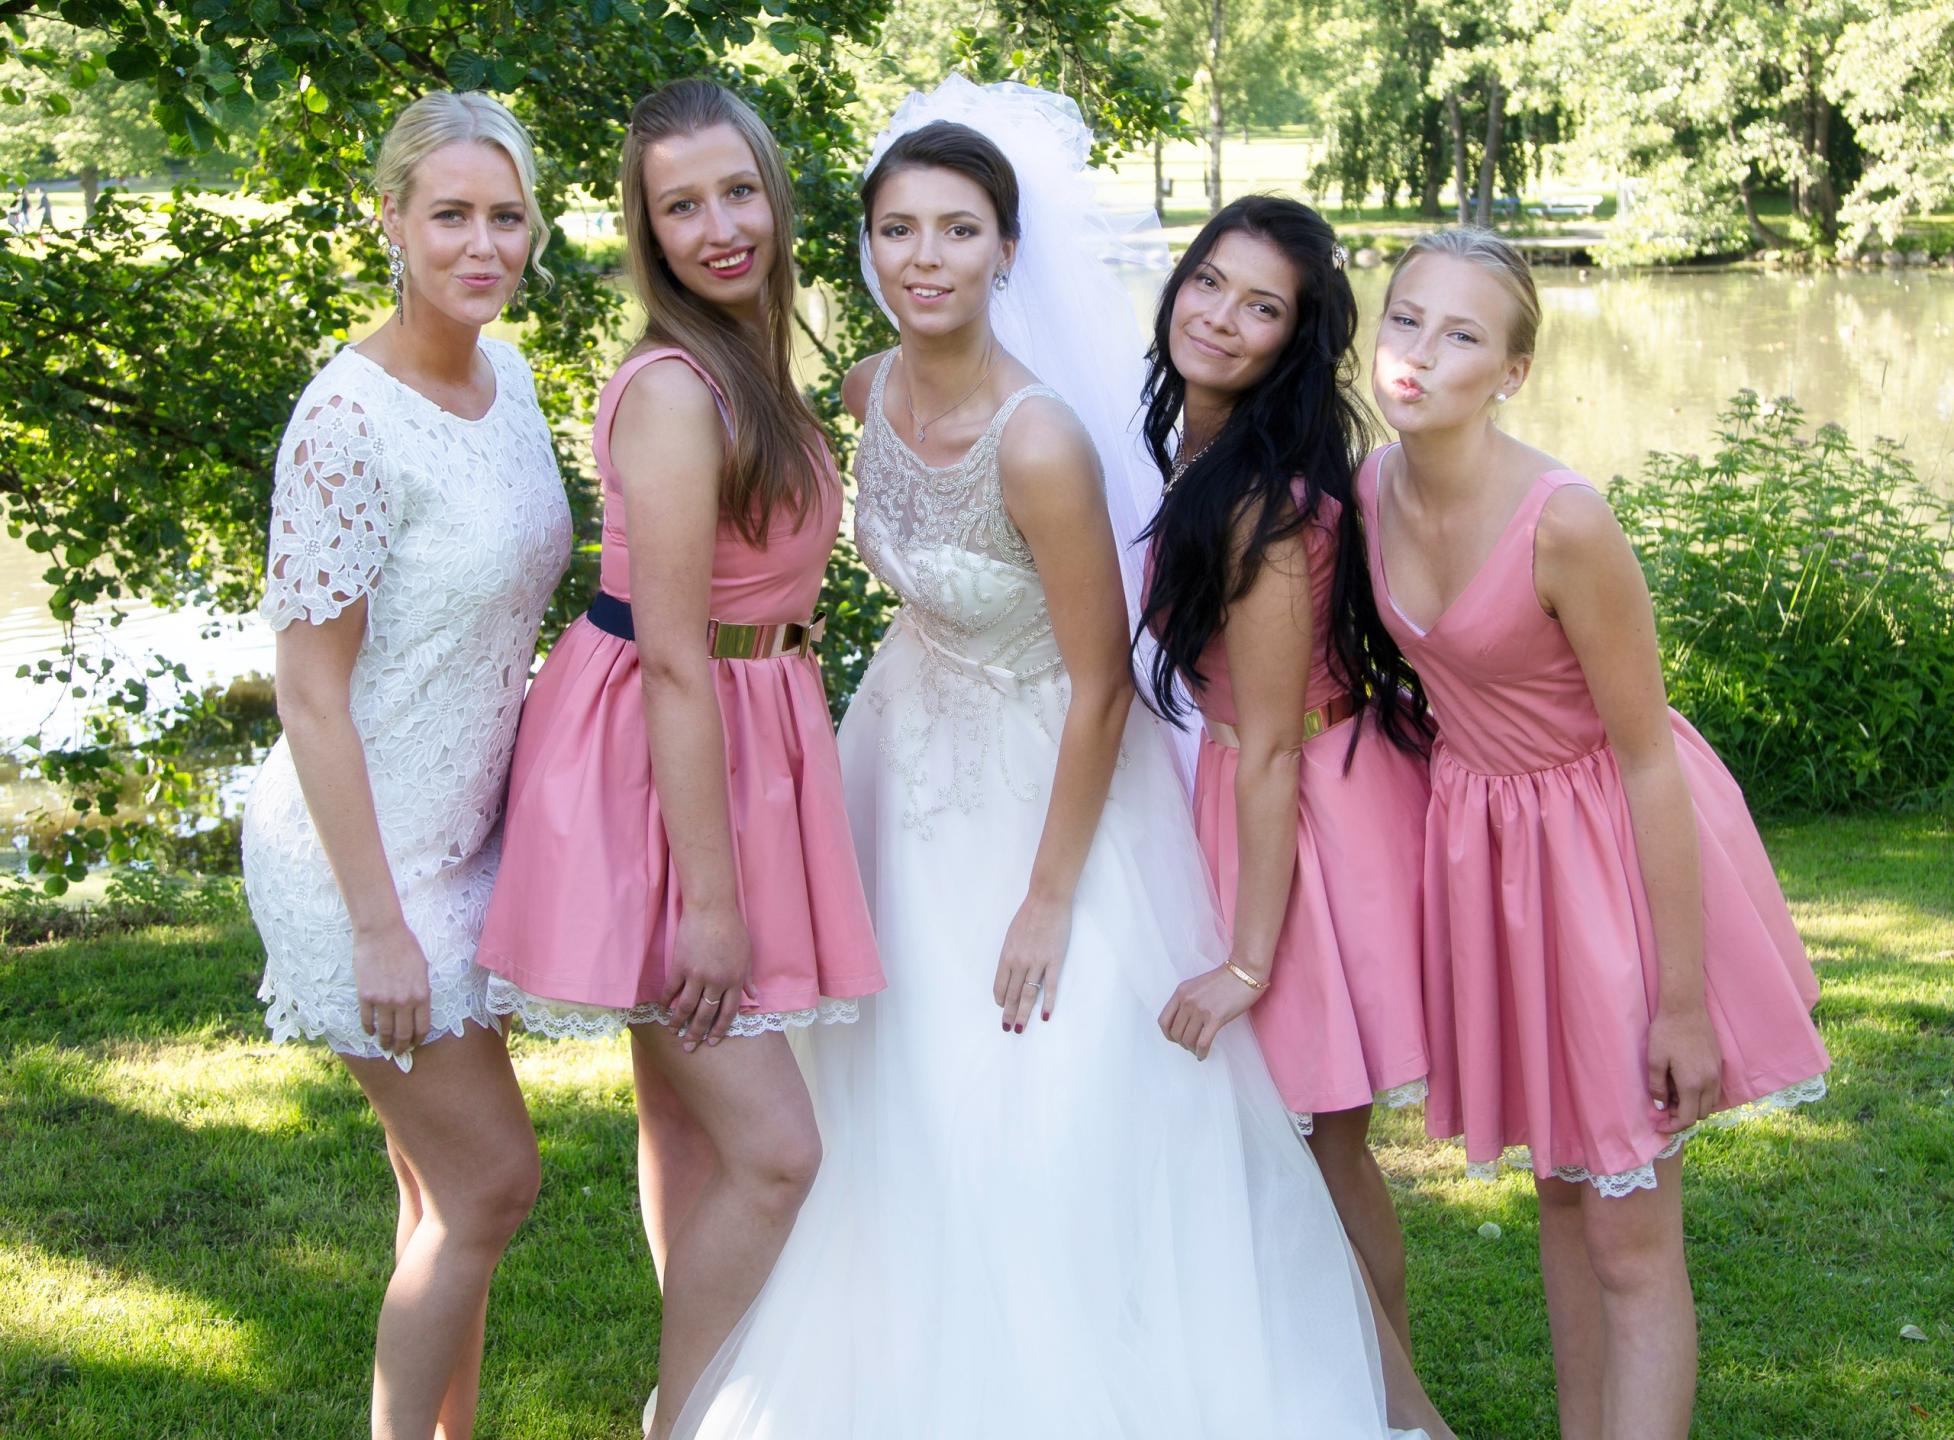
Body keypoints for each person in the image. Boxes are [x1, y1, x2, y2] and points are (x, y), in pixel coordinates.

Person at [670, 78, 1437, 1440]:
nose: (925, 259)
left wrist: (1044, 895)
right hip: (895, 761)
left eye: (958, 231)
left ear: (1005, 251)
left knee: (1038, 1093)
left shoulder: (1038, 441)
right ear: (866, 245)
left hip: (1042, 786)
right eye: (898, 230)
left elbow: (1100, 687)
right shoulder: (865, 390)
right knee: (890, 1087)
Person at [1359, 227, 1830, 1440]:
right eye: (1405, 317)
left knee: (1628, 1229)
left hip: (1608, 851)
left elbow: (1646, 757)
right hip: (1494, 859)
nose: (1419, 352)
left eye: (1461, 334)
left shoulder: (1562, 521)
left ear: (1510, 372)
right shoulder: (1369, 489)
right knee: (1564, 1201)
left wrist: (1680, 1004)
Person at [470, 79, 881, 1440]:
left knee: (691, 1127)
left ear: (775, 194)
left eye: (738, 192)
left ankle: (704, 1406)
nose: (720, 227)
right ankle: (684, 1420)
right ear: (647, 233)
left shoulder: (754, 363)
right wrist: (707, 901)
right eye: (682, 206)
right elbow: (669, 657)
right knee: (775, 1152)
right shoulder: (671, 388)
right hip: (660, 756)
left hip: (739, 727)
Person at [239, 90, 569, 1439]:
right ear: (390, 220)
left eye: (507, 217)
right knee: (492, 1184)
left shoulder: (512, 381)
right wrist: (378, 925)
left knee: (441, 1198)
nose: (483, 245)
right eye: (450, 216)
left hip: (464, 837)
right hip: (356, 861)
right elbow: (309, 694)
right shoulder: (345, 420)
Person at [1137, 196, 1435, 1365]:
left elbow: (1268, 744)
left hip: (1307, 811)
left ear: (1292, 341)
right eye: (1209, 281)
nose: (1219, 316)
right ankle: (1334, 1380)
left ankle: (1397, 1404)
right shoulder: (1199, 449)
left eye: (1260, 307)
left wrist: (1246, 965)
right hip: (1250, 787)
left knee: (1321, 1138)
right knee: (1286, 1135)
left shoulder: (1262, 501)